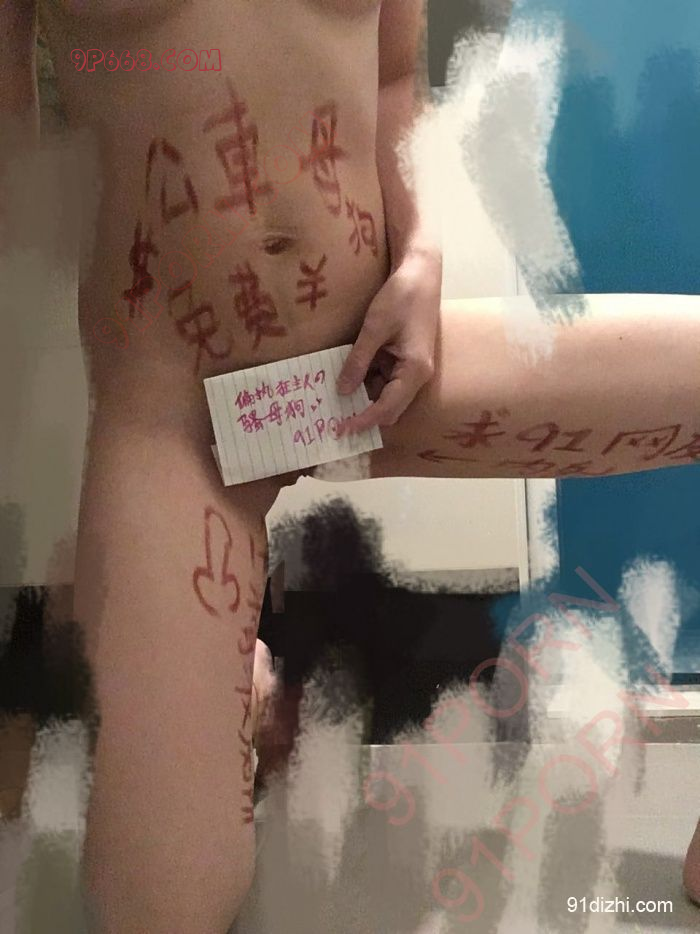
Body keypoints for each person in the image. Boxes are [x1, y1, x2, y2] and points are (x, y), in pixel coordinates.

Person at [2, 0, 699, 930]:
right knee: (157, 915)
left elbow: (392, 78)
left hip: (370, 375)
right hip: (178, 425)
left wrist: (423, 254)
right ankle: (227, 679)